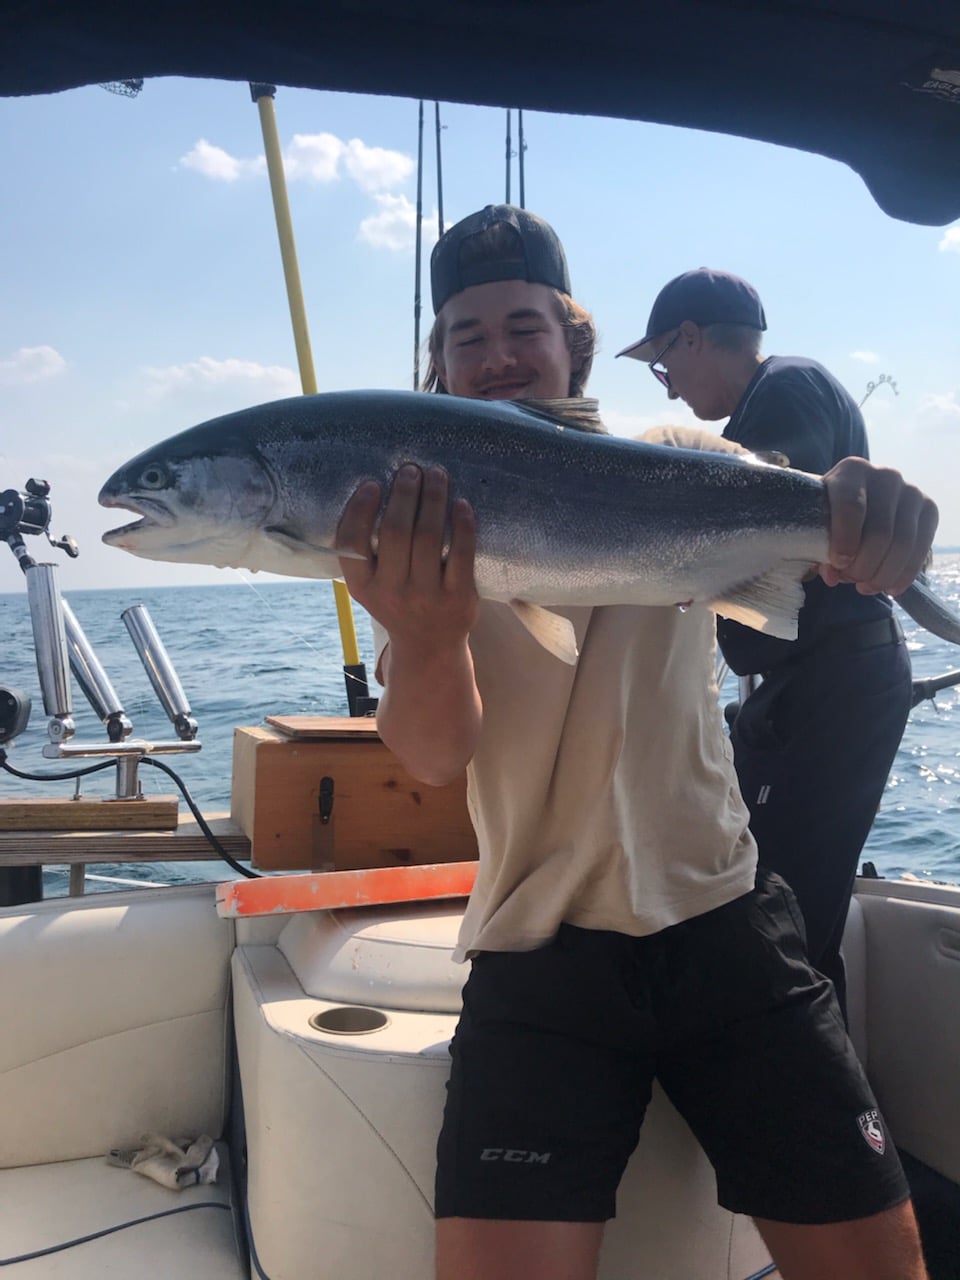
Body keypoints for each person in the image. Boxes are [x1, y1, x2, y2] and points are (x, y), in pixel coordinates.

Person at [336, 205, 937, 1280]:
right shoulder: (413, 526)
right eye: (465, 336)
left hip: (726, 925)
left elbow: (788, 493)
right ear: (438, 362)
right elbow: (432, 756)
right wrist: (424, 631)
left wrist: (863, 505)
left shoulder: (670, 452)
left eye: (523, 323)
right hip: (538, 943)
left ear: (573, 337)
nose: (497, 352)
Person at [618, 269, 914, 1017]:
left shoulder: (781, 392)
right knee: (785, 908)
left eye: (664, 365)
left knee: (781, 919)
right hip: (815, 684)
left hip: (830, 684)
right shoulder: (778, 398)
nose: (669, 389)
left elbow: (770, 534)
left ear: (691, 337)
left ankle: (828, 1113)